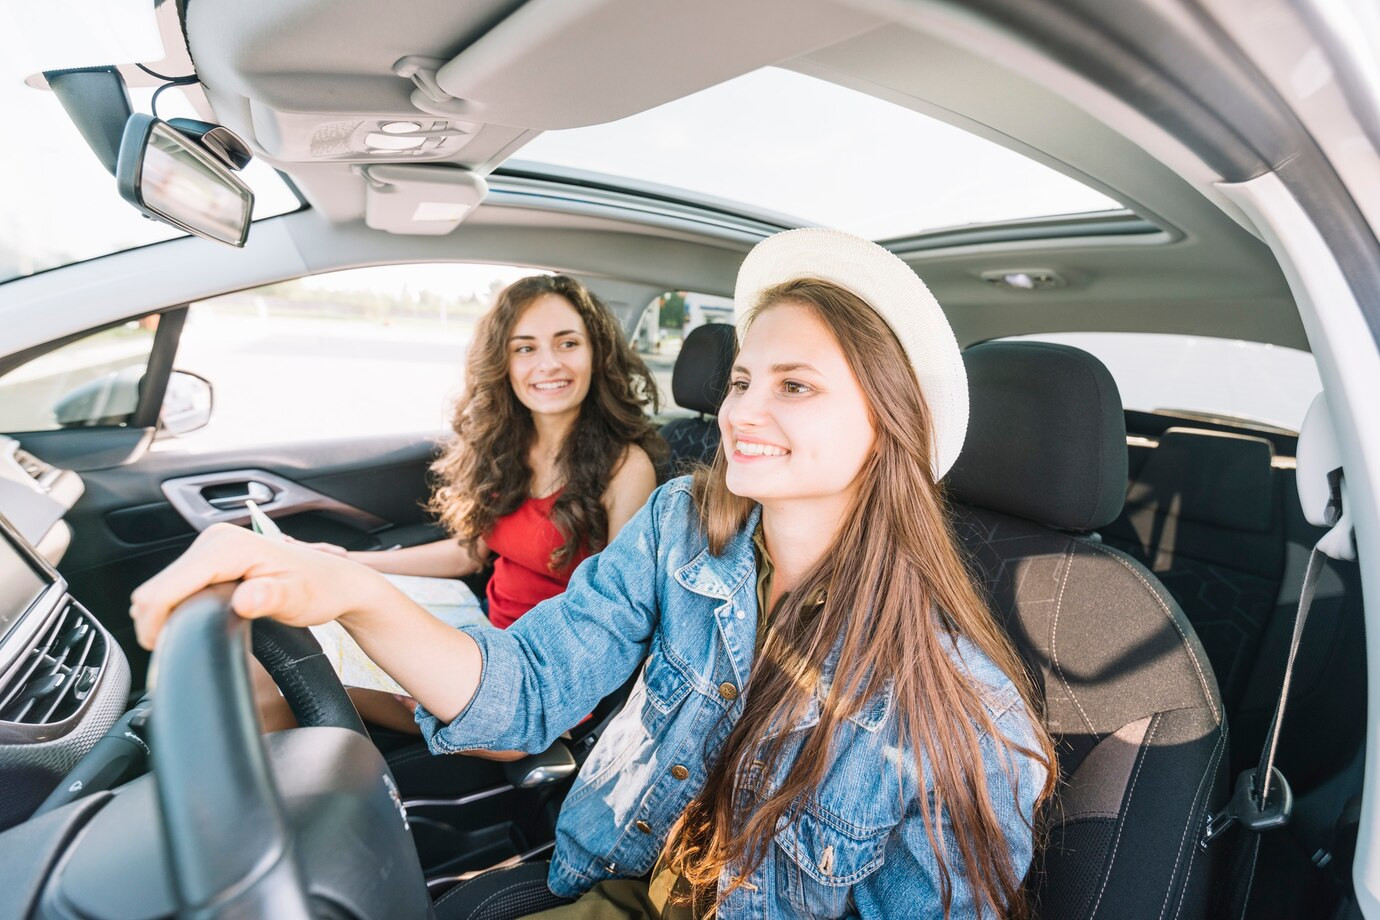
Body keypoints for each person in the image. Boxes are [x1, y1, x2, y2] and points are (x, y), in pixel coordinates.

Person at [131, 229, 1057, 918]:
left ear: (888, 424)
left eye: (796, 385)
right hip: (607, 882)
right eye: (743, 378)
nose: (743, 411)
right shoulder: (681, 530)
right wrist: (352, 588)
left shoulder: (966, 718)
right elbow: (525, 688)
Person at [272, 273, 663, 733]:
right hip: (480, 633)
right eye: (525, 348)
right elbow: (470, 553)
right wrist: (352, 561)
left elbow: (616, 621)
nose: (548, 364)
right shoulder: (511, 447)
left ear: (597, 353)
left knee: (287, 681)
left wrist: (446, 670)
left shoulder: (626, 468)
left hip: (538, 684)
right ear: (504, 361)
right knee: (283, 640)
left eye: (567, 343)